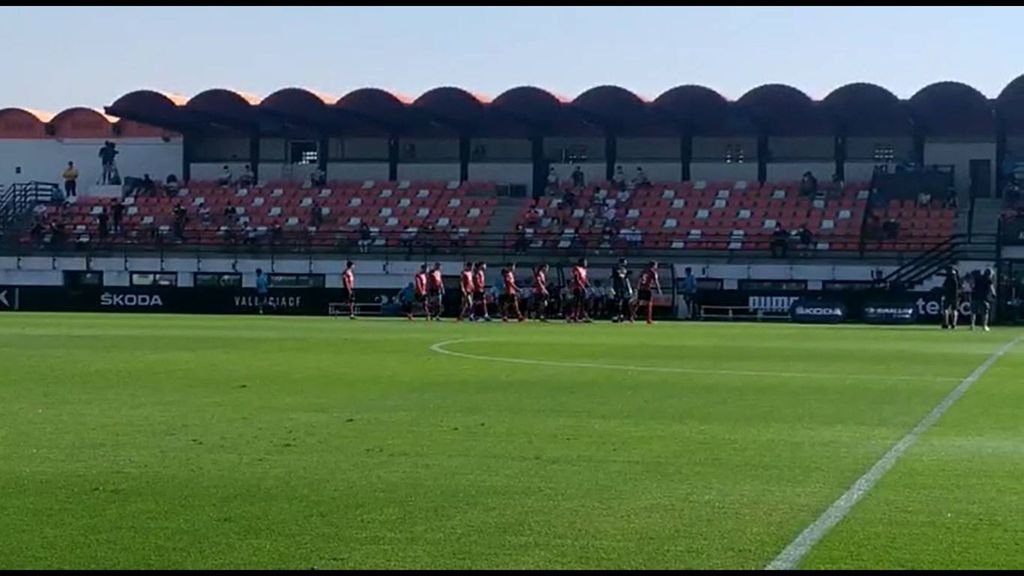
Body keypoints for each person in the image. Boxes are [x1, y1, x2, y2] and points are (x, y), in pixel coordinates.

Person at [609, 258, 632, 323]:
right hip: (617, 287)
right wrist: (611, 288)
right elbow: (618, 276)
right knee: (617, 302)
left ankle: (621, 316)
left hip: (623, 288)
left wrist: (629, 288)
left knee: (624, 302)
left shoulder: (624, 270)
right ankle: (615, 316)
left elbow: (626, 279)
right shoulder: (615, 268)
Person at [569, 258, 590, 323]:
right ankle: (575, 317)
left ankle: (581, 316)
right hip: (577, 288)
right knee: (577, 303)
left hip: (582, 288)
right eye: (585, 262)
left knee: (582, 303)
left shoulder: (584, 270)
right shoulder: (576, 268)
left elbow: (584, 278)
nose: (586, 264)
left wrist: (587, 283)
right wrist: (582, 286)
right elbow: (576, 278)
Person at [941, 265, 961, 330]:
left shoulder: (949, 278)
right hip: (955, 296)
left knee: (946, 309)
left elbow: (945, 286)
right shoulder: (957, 277)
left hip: (949, 295)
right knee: (954, 310)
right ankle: (953, 324)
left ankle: (946, 323)